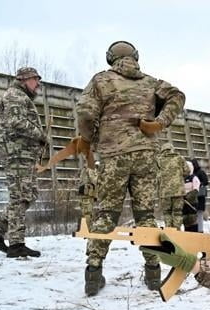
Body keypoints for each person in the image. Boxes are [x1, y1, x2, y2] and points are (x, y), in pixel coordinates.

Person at [75, 41, 185, 295]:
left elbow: (85, 111)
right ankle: (153, 273)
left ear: (110, 58)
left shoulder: (101, 81)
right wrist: (159, 124)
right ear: (136, 57)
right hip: (146, 155)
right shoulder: (150, 82)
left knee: (106, 214)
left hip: (114, 156)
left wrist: (88, 138)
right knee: (145, 214)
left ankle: (93, 272)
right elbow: (177, 96)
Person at [0, 67, 46, 258]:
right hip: (17, 155)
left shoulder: (21, 96)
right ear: (25, 79)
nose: (39, 84)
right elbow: (15, 122)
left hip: (23, 155)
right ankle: (16, 244)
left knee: (29, 194)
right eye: (36, 79)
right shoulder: (15, 95)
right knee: (20, 197)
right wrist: (40, 135)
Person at [157, 143, 188, 229]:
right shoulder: (179, 158)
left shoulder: (159, 160)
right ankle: (177, 231)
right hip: (178, 191)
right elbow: (187, 171)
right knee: (177, 212)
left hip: (164, 192)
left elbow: (155, 175)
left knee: (167, 212)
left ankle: (169, 231)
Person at [191, 158, 209, 232]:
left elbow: (206, 181)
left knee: (199, 215)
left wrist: (199, 184)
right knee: (197, 215)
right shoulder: (192, 174)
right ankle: (198, 230)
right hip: (195, 197)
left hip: (200, 197)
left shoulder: (200, 173)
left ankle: (200, 231)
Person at [182, 161, 200, 232]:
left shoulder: (194, 177)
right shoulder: (181, 179)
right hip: (184, 202)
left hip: (192, 202)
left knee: (192, 218)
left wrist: (188, 197)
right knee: (185, 219)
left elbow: (196, 189)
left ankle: (195, 234)